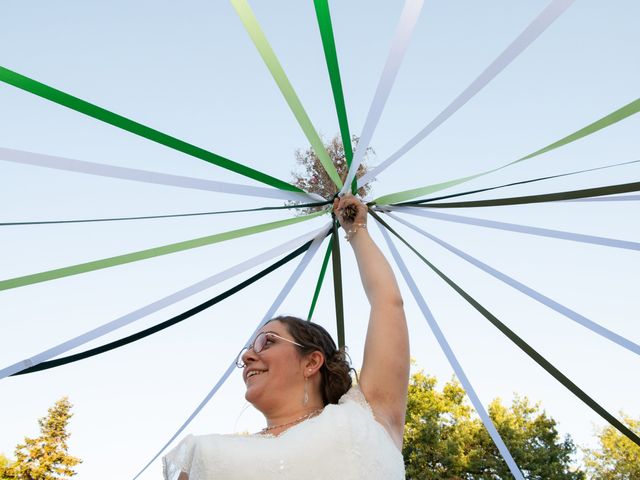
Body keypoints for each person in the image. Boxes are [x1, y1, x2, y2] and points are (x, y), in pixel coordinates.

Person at [163, 194, 409, 479]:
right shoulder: (205, 456)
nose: (246, 355)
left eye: (267, 341)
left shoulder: (367, 416)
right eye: (249, 348)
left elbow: (388, 304)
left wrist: (356, 230)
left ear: (311, 361)